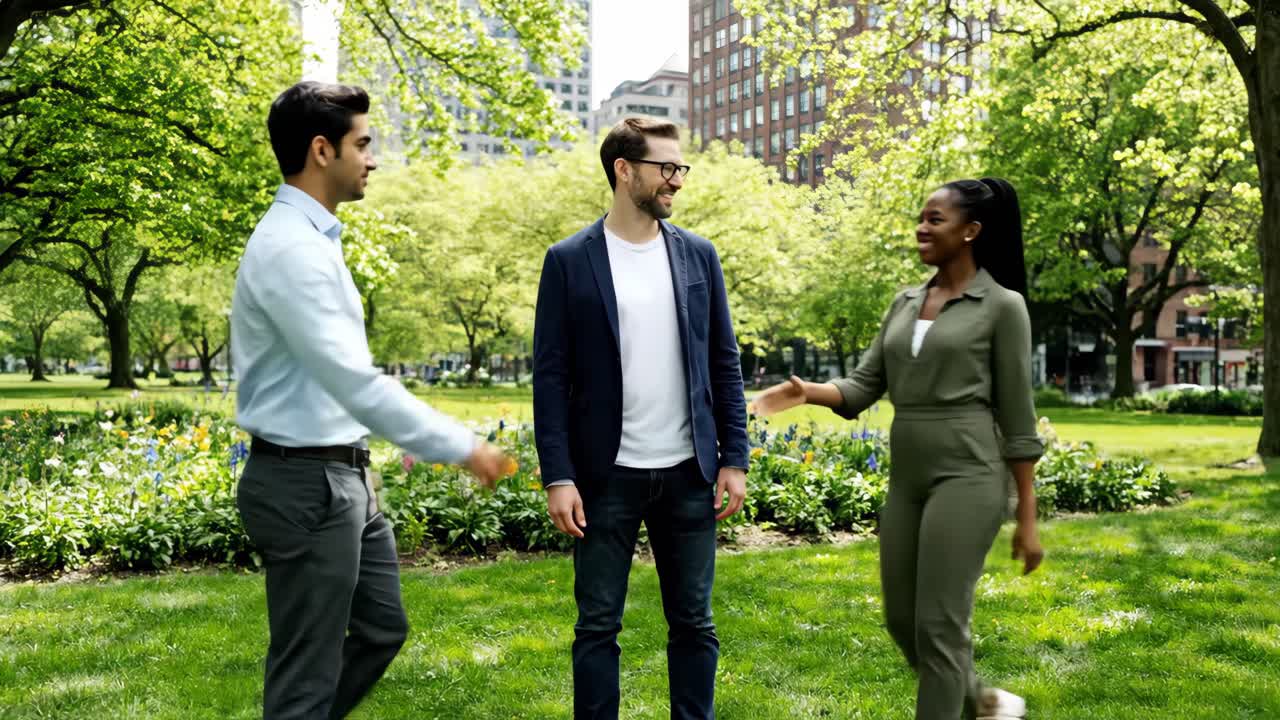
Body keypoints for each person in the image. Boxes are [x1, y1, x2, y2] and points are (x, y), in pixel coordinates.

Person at [231, 81, 508, 720]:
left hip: (342, 477)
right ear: (322, 150)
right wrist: (462, 447)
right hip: (305, 486)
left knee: (382, 628)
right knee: (306, 673)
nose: (373, 158)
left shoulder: (315, 239)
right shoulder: (292, 250)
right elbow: (354, 381)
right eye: (364, 144)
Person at [752, 178, 1045, 720]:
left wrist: (1026, 515)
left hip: (970, 475)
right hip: (908, 478)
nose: (921, 228)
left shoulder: (1003, 306)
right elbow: (864, 386)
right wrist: (803, 393)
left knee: (938, 625)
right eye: (921, 217)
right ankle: (983, 702)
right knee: (903, 620)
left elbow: (1020, 420)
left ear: (971, 231)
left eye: (935, 220)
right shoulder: (906, 302)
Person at [532, 118, 751, 720]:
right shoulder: (569, 260)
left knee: (694, 625)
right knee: (597, 627)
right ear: (624, 170)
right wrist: (559, 475)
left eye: (681, 168)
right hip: (606, 479)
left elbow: (723, 362)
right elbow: (550, 378)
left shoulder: (698, 256)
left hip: (688, 473)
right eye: (666, 168)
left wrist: (734, 458)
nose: (676, 180)